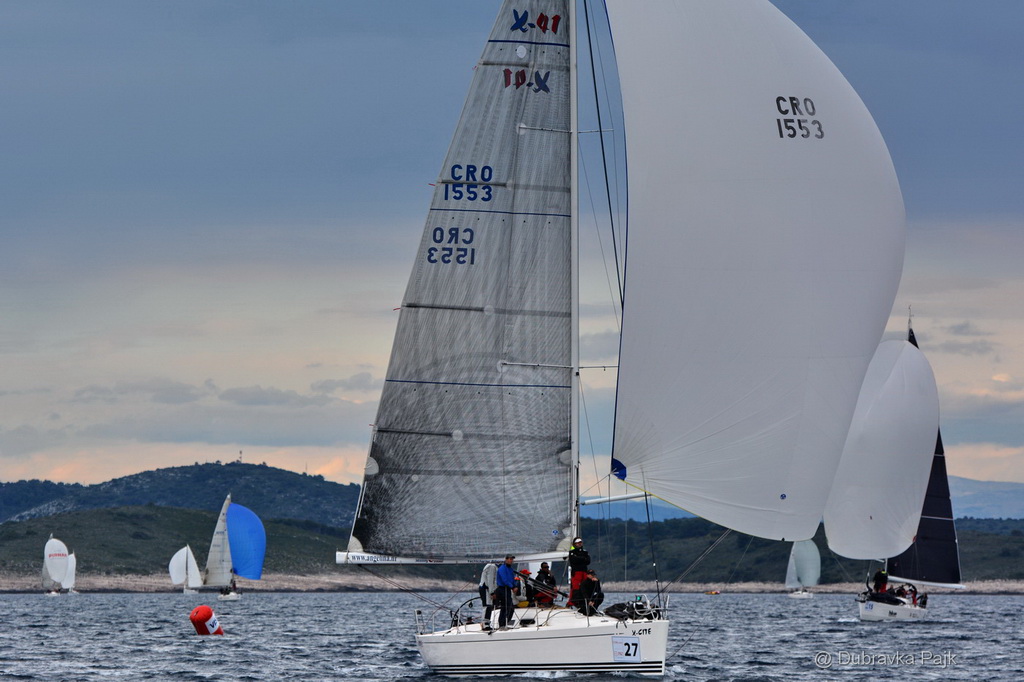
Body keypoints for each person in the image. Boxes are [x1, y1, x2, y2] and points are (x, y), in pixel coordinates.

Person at [495, 554, 519, 630]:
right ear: (506, 559)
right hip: (502, 589)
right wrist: (512, 587)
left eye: (512, 559)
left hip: (507, 589)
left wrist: (514, 586)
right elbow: (504, 580)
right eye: (509, 559)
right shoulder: (502, 568)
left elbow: (512, 579)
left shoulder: (510, 569)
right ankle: (501, 625)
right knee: (506, 607)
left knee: (509, 607)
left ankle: (505, 623)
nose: (511, 560)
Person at [567, 536, 590, 608]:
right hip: (576, 572)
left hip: (584, 571)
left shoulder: (585, 552)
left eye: (580, 542)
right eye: (578, 543)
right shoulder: (572, 552)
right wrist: (583, 559)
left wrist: (580, 559)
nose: (579, 544)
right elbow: (574, 560)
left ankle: (582, 602)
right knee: (575, 587)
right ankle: (572, 602)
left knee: (584, 587)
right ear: (575, 544)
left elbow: (588, 561)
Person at [478, 562, 497, 628]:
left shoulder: (490, 566)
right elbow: (490, 580)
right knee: (487, 605)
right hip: (486, 589)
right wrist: (492, 592)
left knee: (488, 606)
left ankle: (486, 622)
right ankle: (485, 623)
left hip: (486, 588)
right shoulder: (492, 567)